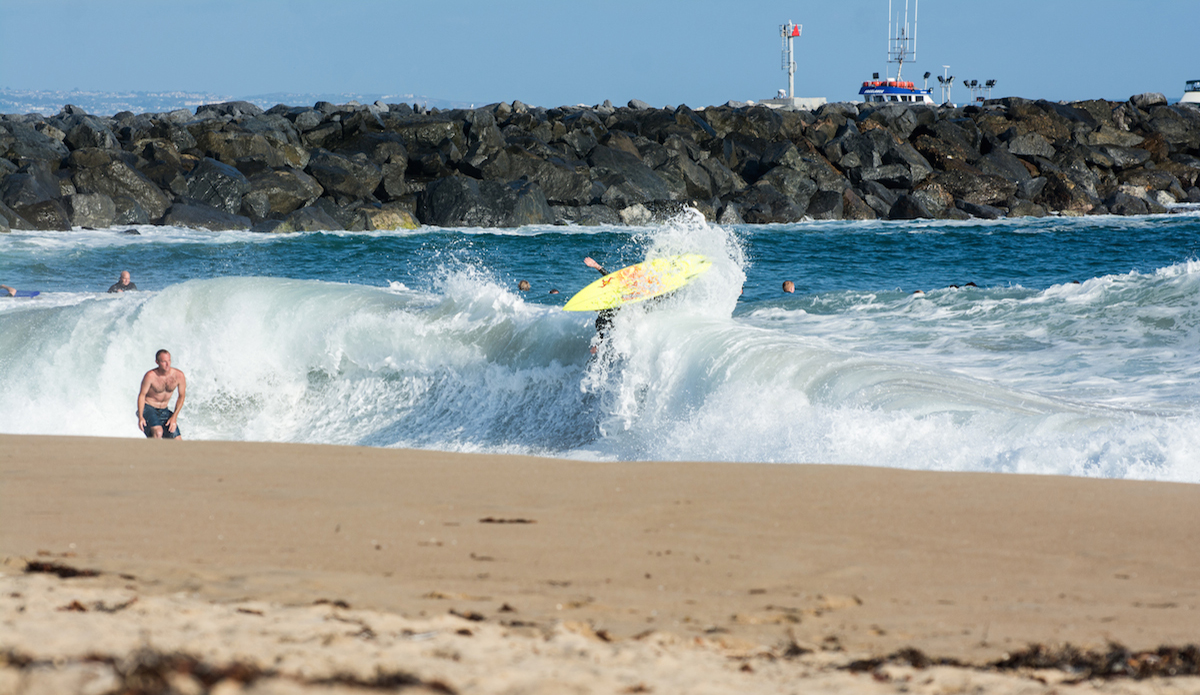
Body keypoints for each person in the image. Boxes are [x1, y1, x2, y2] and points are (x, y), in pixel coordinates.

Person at [137, 349, 186, 439]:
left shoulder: (179, 375)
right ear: (157, 362)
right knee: (158, 432)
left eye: (169, 361)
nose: (167, 364)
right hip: (148, 408)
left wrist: (174, 417)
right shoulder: (150, 376)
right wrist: (140, 417)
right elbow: (142, 395)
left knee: (178, 440)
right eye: (164, 362)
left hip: (164, 411)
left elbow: (181, 396)